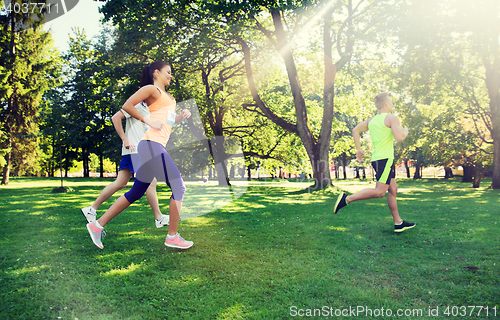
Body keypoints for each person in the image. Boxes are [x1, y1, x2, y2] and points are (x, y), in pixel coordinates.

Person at [86, 61, 193, 249]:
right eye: (168, 72)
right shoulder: (152, 89)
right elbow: (127, 106)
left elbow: (168, 121)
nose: (171, 75)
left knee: (136, 192)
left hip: (153, 145)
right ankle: (172, 236)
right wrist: (148, 121)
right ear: (157, 73)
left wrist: (180, 116)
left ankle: (97, 225)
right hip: (151, 145)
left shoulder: (169, 97)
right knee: (178, 186)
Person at [333, 93, 415, 233]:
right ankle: (347, 199)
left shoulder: (371, 121)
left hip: (378, 158)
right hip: (385, 160)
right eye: (391, 102)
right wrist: (405, 131)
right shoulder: (392, 118)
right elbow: (400, 137)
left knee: (393, 190)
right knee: (380, 192)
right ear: (386, 104)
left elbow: (355, 130)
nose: (392, 104)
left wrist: (358, 149)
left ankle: (398, 223)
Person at [80, 102, 169, 228]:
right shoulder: (138, 106)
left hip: (132, 151)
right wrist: (124, 139)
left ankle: (91, 209)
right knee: (151, 181)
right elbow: (115, 117)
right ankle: (159, 217)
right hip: (135, 150)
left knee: (120, 183)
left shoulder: (150, 110)